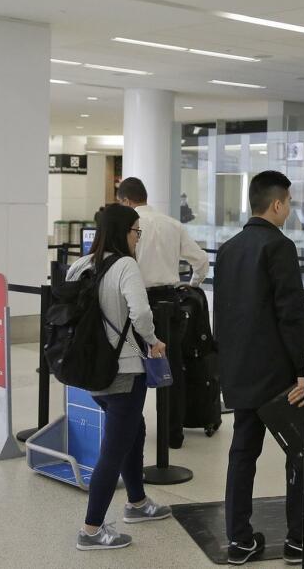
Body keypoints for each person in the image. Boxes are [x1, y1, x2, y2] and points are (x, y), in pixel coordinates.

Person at [213, 171, 304, 565]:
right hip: (277, 374)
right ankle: (300, 541)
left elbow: (224, 313)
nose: (289, 209)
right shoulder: (278, 246)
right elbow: (292, 311)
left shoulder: (229, 248)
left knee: (242, 453)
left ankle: (238, 541)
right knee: (302, 451)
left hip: (239, 368)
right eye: (288, 203)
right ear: (277, 204)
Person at [65, 204, 172, 551]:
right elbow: (140, 312)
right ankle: (91, 529)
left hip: (90, 370)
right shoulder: (125, 265)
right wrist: (154, 342)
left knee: (133, 430)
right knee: (113, 450)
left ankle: (138, 503)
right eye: (135, 232)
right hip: (124, 370)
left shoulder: (81, 265)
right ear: (122, 232)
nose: (137, 239)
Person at [117, 177, 211, 448]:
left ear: (126, 200)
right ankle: (173, 435)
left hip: (135, 300)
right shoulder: (173, 224)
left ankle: (130, 433)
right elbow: (201, 261)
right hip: (170, 302)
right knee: (172, 370)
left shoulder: (128, 226)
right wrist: (191, 286)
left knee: (131, 367)